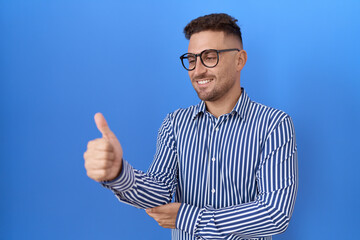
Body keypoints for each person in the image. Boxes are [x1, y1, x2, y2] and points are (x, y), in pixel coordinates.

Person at [83, 13, 298, 240]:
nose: (198, 70)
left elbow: (275, 214)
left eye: (209, 57)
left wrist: (190, 218)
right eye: (192, 59)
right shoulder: (175, 124)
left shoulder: (274, 124)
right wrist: (119, 173)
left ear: (239, 60)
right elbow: (160, 193)